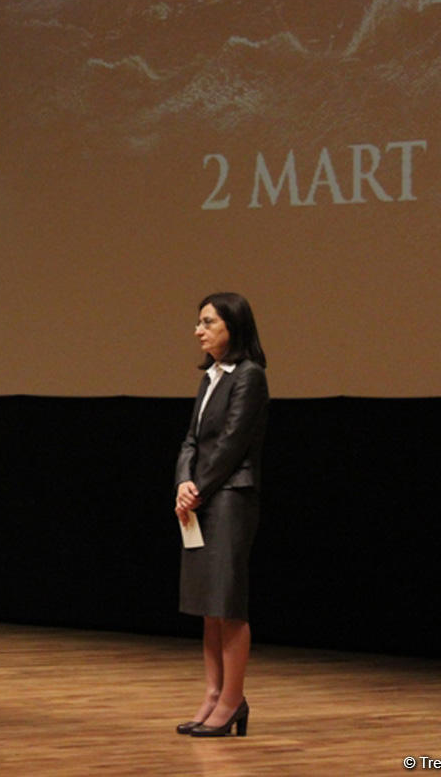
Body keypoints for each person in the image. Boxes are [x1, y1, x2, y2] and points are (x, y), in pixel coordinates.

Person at [173, 292, 268, 737]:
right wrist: (182, 483)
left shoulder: (249, 377)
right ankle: (213, 694)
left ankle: (232, 700)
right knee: (209, 607)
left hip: (230, 497)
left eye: (209, 322)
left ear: (234, 326)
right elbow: (191, 440)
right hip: (204, 496)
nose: (199, 330)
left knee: (228, 604)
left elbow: (232, 444)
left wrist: (199, 489)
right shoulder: (209, 377)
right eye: (199, 322)